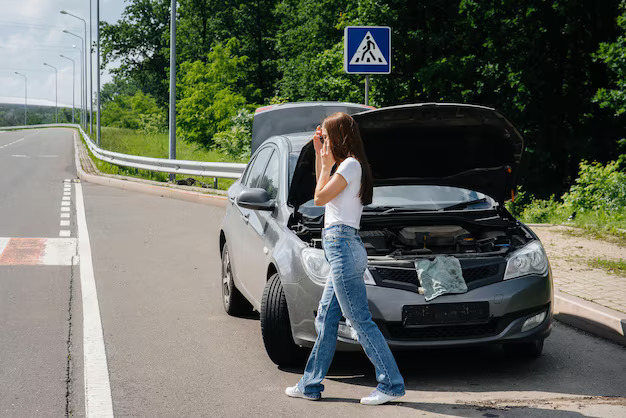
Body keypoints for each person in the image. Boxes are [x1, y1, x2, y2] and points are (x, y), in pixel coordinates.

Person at [285, 112, 405, 405]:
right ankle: (310, 384)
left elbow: (320, 198)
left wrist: (325, 163)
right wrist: (319, 157)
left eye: (325, 137)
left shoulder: (350, 166)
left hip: (343, 247)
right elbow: (322, 190)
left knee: (359, 320)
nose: (324, 143)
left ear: (339, 136)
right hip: (341, 247)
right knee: (326, 318)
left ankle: (391, 384)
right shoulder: (348, 166)